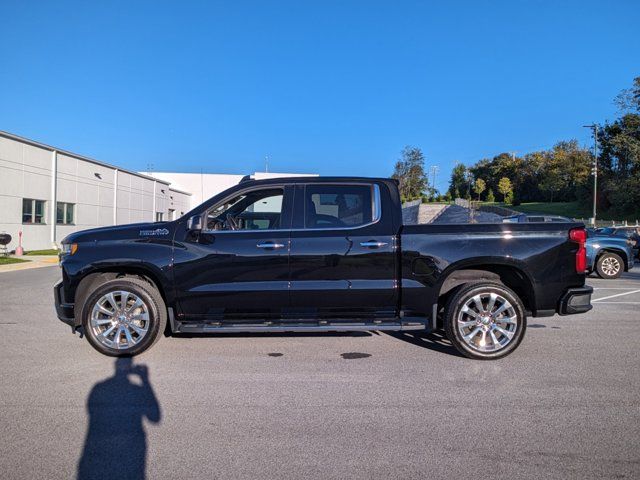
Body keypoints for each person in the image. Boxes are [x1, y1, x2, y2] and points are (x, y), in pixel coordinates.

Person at [77, 357, 161, 480]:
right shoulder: (135, 391)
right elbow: (154, 417)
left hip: (100, 453)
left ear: (115, 366)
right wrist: (145, 380)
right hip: (130, 450)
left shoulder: (99, 388)